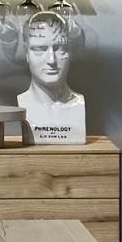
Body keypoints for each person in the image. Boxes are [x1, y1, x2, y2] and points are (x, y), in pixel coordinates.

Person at [17, 12, 91, 146]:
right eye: (40, 49)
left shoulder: (78, 104)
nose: (51, 60)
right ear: (26, 53)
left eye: (59, 48)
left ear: (70, 52)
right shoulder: (23, 103)